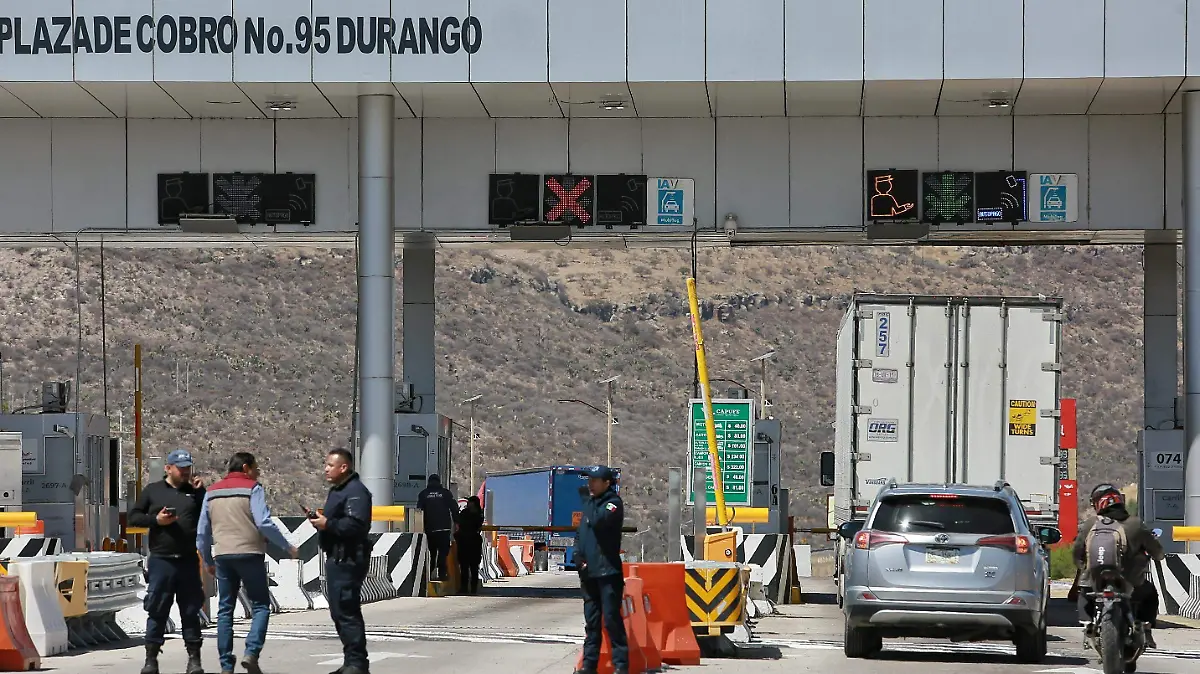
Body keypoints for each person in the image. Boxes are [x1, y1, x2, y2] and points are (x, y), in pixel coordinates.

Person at [196, 452, 299, 674]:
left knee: (225, 610)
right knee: (261, 605)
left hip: (223, 556)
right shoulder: (253, 488)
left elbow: (202, 531)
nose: (258, 472)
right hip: (251, 554)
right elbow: (264, 522)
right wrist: (286, 546)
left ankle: (226, 664)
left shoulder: (211, 492)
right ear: (245, 467)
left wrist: (207, 559)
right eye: (256, 468)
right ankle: (251, 653)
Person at [127, 449, 207, 674]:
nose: (184, 472)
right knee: (158, 609)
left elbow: (208, 514)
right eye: (180, 468)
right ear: (168, 468)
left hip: (188, 560)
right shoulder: (153, 491)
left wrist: (201, 493)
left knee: (190, 610)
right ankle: (151, 659)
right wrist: (157, 520)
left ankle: (194, 660)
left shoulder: (194, 492)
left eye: (187, 468)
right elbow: (134, 517)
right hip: (162, 560)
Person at [1073, 483, 1166, 648]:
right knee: (1150, 594)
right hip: (1130, 582)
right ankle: (1146, 628)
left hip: (1094, 581)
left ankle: (1087, 625)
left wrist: (1085, 569)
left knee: (1084, 591)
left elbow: (1077, 554)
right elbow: (1158, 553)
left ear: (1097, 503)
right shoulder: (1135, 524)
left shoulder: (1090, 524)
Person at [310, 448, 372, 674]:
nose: (326, 469)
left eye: (330, 465)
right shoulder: (339, 490)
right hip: (336, 556)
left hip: (349, 557)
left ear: (343, 467)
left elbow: (356, 525)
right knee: (339, 610)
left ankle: (357, 664)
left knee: (346, 609)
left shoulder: (356, 492)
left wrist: (328, 525)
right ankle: (351, 661)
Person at [574, 466, 628, 674]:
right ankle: (589, 666)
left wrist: (587, 502)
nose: (590, 484)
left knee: (612, 621)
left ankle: (621, 666)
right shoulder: (591, 505)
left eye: (595, 480)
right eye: (589, 480)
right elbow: (581, 535)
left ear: (607, 483)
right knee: (592, 623)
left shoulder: (612, 504)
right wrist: (578, 558)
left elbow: (598, 523)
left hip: (608, 573)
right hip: (589, 575)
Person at [417, 474, 459, 581]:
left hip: (430, 529)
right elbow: (454, 508)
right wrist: (457, 522)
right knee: (443, 552)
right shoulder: (445, 493)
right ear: (439, 482)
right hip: (444, 528)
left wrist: (419, 528)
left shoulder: (423, 494)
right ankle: (442, 574)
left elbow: (419, 512)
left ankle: (427, 575)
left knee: (431, 552)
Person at [455, 496, 485, 594]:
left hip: (466, 542)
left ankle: (468, 588)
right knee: (468, 567)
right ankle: (471, 589)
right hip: (471, 542)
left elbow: (460, 523)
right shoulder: (478, 514)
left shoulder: (468, 514)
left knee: (470, 567)